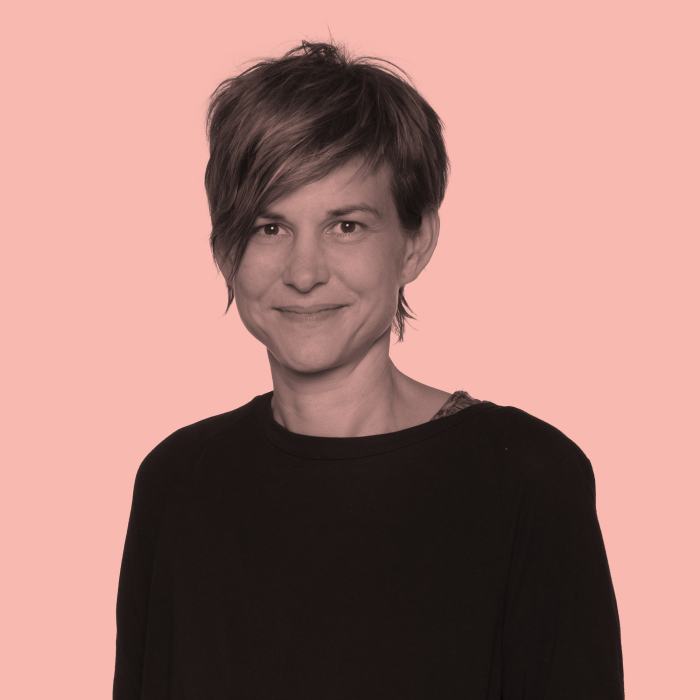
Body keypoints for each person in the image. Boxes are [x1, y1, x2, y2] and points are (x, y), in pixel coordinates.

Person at [113, 40, 625, 699]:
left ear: (415, 243)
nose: (304, 272)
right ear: (225, 250)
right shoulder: (177, 481)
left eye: (346, 226)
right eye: (270, 227)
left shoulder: (527, 479)